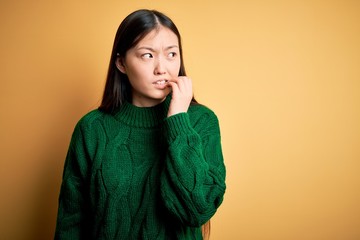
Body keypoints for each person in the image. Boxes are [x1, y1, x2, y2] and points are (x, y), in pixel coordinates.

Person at [54, 9, 226, 240]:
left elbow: (198, 210)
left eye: (172, 54)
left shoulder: (201, 121)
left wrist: (177, 121)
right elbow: (70, 221)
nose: (162, 68)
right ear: (121, 63)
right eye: (147, 55)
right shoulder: (92, 129)